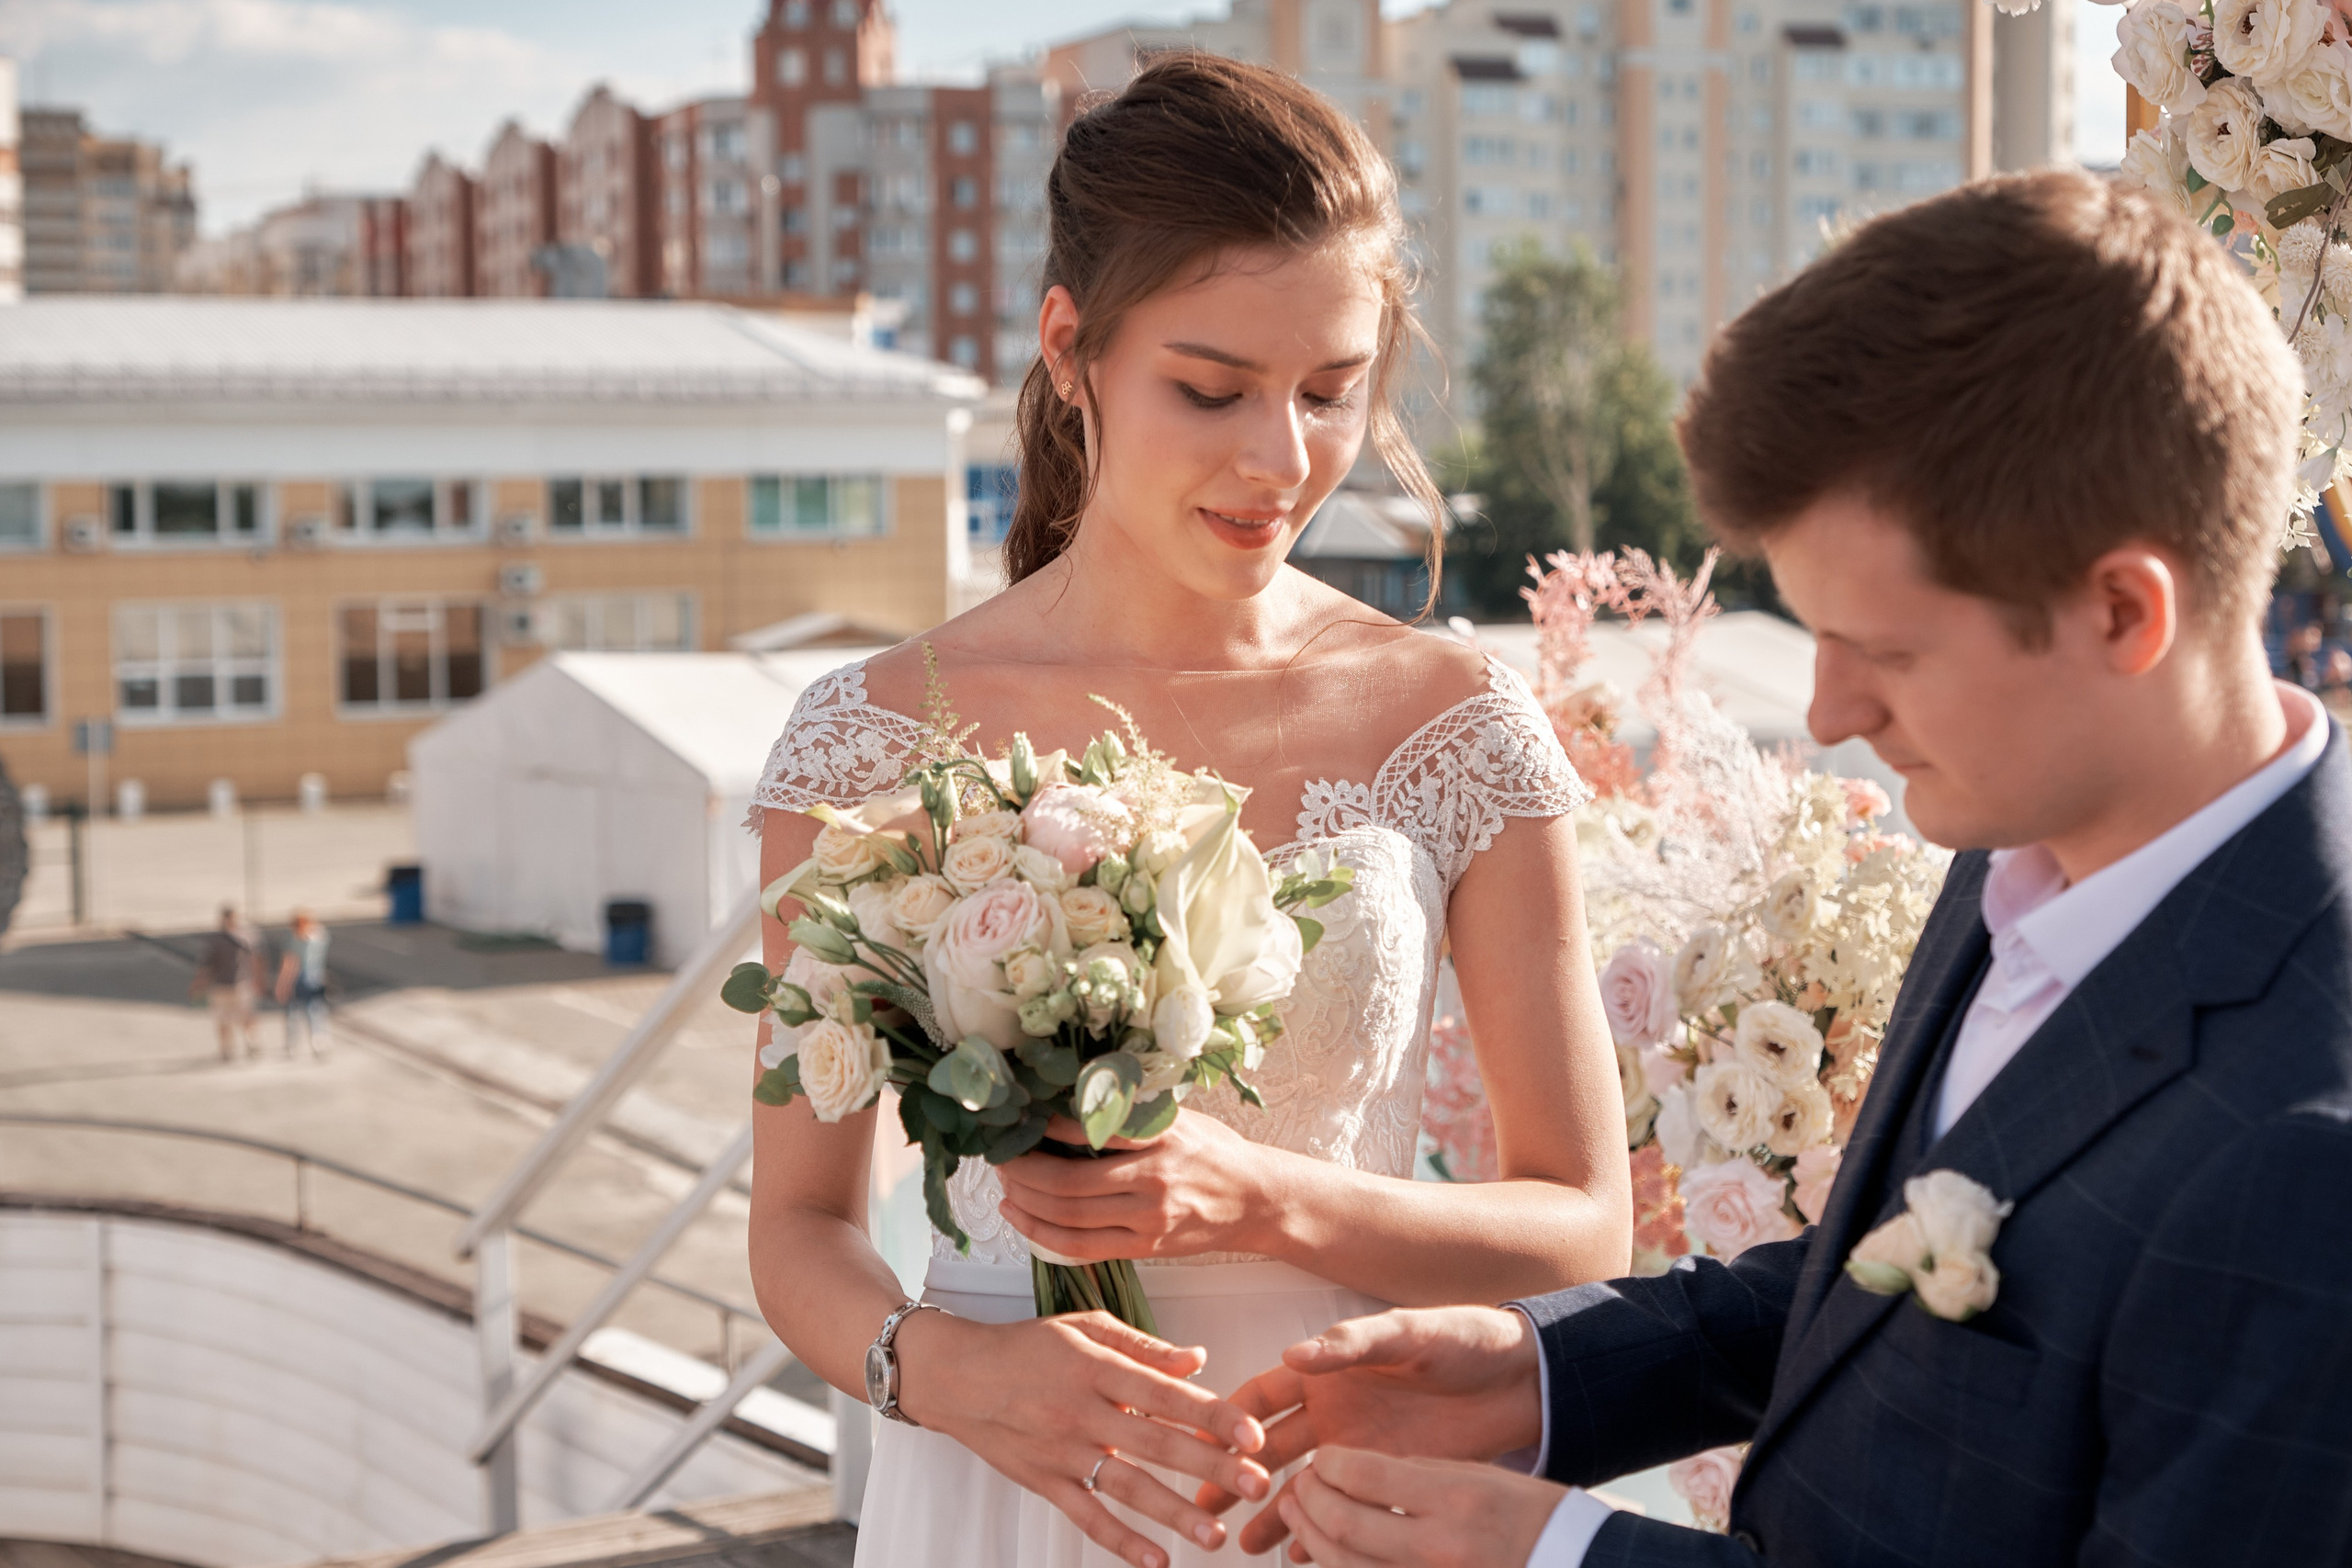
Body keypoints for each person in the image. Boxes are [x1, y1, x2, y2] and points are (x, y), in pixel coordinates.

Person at [1206, 170, 2352, 1565]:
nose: (1829, 714)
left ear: (2122, 609)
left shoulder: (2307, 1153)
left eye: (1885, 647)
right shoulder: (2022, 838)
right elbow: (1886, 1289)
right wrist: (1545, 1369)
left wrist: (1562, 1556)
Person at [743, 53, 1632, 1568]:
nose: (1282, 461)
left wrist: (1269, 1199)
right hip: (995, 1488)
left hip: (1331, 1486)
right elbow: (799, 1228)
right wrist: (946, 1371)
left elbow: (1580, 1219)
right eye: (1211, 389)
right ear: (1070, 348)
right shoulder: (869, 738)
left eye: (1331, 393)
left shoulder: (1454, 721)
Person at [191, 904, 260, 1062]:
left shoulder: (218, 940)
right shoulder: (246, 938)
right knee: (237, 1018)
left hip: (229, 985)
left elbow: (206, 967)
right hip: (234, 985)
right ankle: (243, 1044)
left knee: (229, 1019)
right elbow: (256, 961)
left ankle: (230, 1049)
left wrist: (198, 984)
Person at [275, 909, 331, 1061]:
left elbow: (289, 964)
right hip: (316, 977)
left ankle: (296, 1045)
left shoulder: (294, 940)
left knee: (296, 1012)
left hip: (301, 979)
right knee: (315, 1011)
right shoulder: (320, 935)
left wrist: (282, 984)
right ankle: (317, 1042)